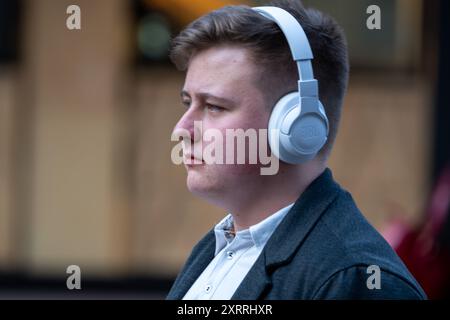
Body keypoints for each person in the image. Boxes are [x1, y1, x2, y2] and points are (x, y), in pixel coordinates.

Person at [167, 0, 426, 299]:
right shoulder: (214, 252)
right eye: (189, 103)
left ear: (297, 125)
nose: (181, 130)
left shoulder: (352, 278)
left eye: (214, 106)